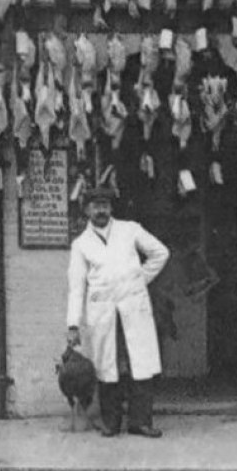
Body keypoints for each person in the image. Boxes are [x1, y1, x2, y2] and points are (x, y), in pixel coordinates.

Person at [66, 184, 170, 438]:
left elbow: (160, 253)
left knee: (140, 364)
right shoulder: (81, 244)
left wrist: (139, 280)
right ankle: (111, 422)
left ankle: (140, 422)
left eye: (105, 205)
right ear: (87, 210)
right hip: (103, 313)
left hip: (133, 308)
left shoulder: (130, 230)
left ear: (111, 208)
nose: (101, 211)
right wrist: (72, 324)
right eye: (95, 206)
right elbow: (76, 287)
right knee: (107, 367)